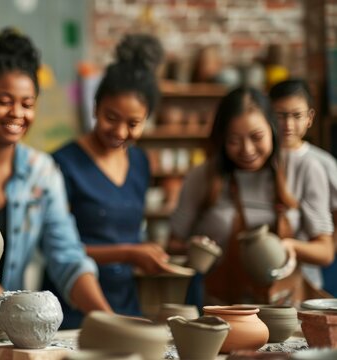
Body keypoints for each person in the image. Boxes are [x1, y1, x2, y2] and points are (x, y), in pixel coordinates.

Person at [0, 28, 113, 317]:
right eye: (4, 101)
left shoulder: (43, 172)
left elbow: (67, 257)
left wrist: (106, 317)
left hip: (3, 327)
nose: (17, 113)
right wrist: (6, 303)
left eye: (27, 104)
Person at [41, 34, 172, 328]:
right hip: (71, 308)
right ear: (96, 106)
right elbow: (58, 247)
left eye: (134, 123)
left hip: (126, 304)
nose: (121, 131)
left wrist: (148, 255)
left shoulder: (139, 163)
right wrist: (129, 253)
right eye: (111, 118)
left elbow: (132, 234)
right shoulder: (61, 164)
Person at [168, 86, 334, 306]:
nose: (247, 150)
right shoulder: (204, 176)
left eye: (257, 137)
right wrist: (195, 247)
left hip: (290, 308)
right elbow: (172, 244)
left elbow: (325, 251)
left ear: (272, 130)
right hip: (225, 310)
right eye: (234, 140)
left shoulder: (304, 168)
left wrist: (289, 247)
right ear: (221, 139)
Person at [269, 79, 337, 296]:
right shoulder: (261, 159)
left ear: (310, 118)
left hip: (308, 273)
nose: (288, 124)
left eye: (296, 116)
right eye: (280, 115)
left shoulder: (322, 163)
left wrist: (325, 249)